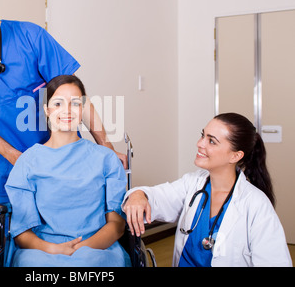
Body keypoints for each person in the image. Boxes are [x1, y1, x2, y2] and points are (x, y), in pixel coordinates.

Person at [0, 0, 126, 204]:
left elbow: (76, 97)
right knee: (19, 235)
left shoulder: (29, 36)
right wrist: (14, 157)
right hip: (13, 169)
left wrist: (106, 145)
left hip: (65, 161)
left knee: (76, 228)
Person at [123, 113, 292, 267]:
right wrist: (139, 194)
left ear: (235, 156)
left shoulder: (256, 204)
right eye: (202, 135)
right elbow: (158, 197)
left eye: (211, 141)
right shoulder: (192, 183)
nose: (199, 144)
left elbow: (275, 262)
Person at [4, 75, 131, 267]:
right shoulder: (28, 162)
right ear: (46, 110)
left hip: (97, 250)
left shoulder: (106, 159)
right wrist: (56, 250)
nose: (67, 111)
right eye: (58, 103)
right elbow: (22, 232)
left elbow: (116, 225)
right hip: (41, 251)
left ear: (83, 110)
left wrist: (79, 250)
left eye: (75, 103)